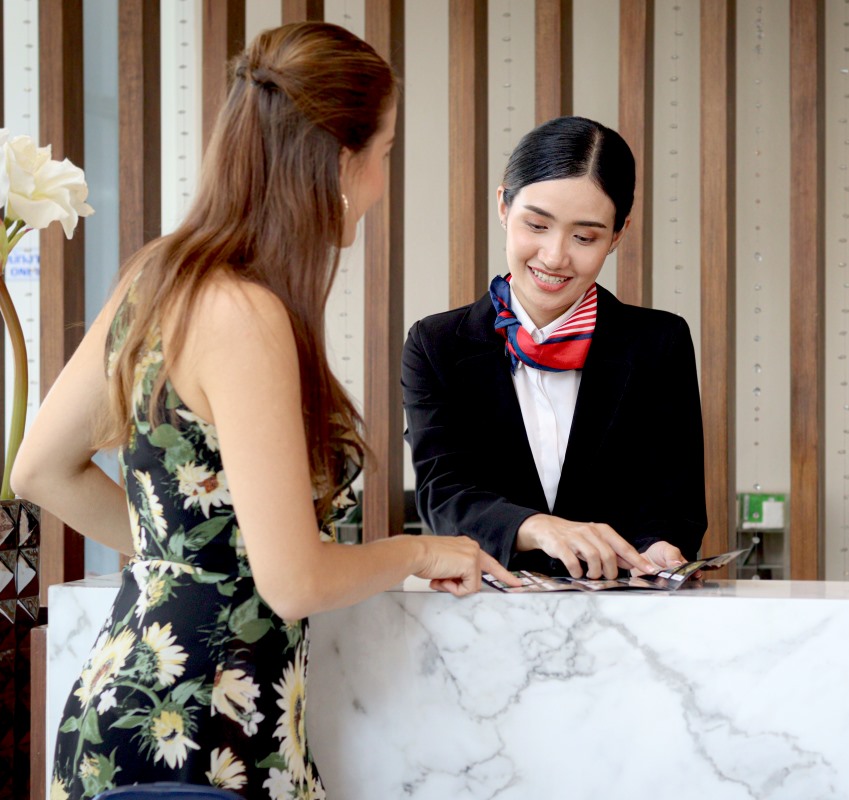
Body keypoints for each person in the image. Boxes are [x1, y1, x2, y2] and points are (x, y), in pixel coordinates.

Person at [13, 22, 516, 800]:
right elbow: (295, 581)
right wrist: (418, 552)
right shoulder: (245, 315)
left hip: (126, 712)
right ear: (341, 164)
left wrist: (192, 561)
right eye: (384, 154)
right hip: (196, 734)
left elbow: (40, 468)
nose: (382, 183)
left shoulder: (160, 276)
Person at [402, 116, 707, 581]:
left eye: (585, 237)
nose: (554, 256)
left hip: (624, 613)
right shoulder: (437, 345)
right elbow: (443, 496)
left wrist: (661, 548)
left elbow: (674, 499)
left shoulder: (658, 344)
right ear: (503, 205)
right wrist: (535, 527)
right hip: (486, 614)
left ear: (618, 234)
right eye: (537, 225)